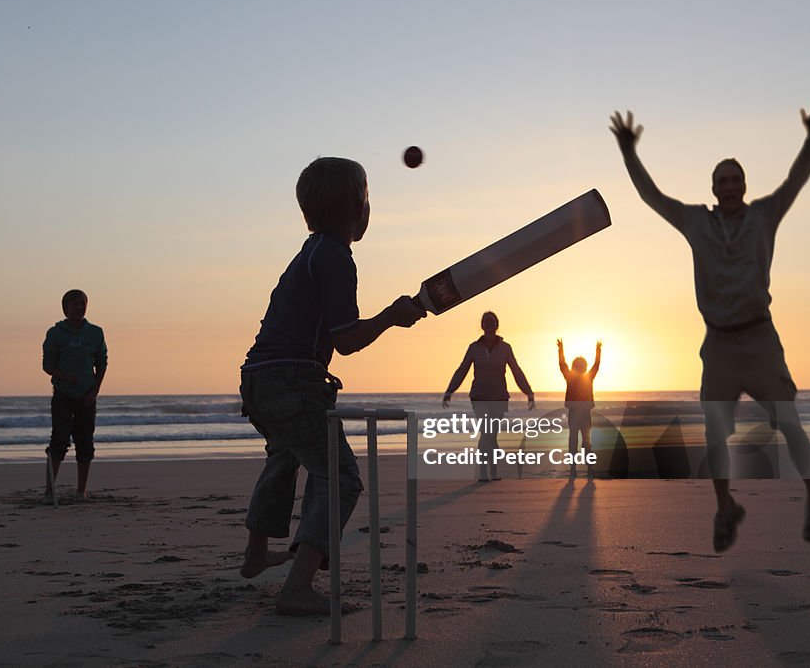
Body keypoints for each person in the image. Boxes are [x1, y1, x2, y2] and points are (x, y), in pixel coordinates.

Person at [610, 100, 810, 551]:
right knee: (713, 430)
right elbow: (651, 196)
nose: (729, 186)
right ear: (713, 187)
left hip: (760, 336)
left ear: (745, 185)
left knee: (789, 421)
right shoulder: (695, 221)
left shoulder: (766, 214)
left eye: (735, 179)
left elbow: (798, 178)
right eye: (722, 180)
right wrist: (629, 151)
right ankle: (725, 507)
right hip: (720, 343)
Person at [239, 156, 426, 615]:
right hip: (293, 381)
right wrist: (390, 318)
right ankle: (297, 588)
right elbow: (345, 340)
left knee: (283, 458)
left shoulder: (309, 252)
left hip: (258, 378)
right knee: (339, 477)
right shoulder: (335, 257)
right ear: (361, 212)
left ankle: (257, 552)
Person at [442, 311, 535, 481]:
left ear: (497, 325)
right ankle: (485, 472)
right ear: (482, 326)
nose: (489, 325)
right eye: (486, 322)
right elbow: (462, 370)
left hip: (499, 397)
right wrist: (450, 390)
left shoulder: (505, 348)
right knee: (486, 433)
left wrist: (528, 392)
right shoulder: (474, 348)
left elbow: (516, 370)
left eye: (492, 322)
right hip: (479, 397)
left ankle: (491, 470)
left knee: (491, 435)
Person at [42, 289, 108, 504]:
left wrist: (94, 391)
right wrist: (64, 376)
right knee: (59, 441)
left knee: (85, 443)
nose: (79, 307)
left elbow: (102, 363)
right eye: (75, 304)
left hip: (86, 396)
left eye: (82, 303)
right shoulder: (55, 333)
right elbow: (47, 365)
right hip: (63, 394)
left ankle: (81, 491)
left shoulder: (96, 332)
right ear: (66, 308)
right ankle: (50, 492)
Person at [557, 339, 601, 479]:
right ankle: (583, 469)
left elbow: (562, 365)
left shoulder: (576, 377)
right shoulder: (584, 377)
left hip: (578, 413)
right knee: (582, 441)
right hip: (580, 413)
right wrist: (561, 350)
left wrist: (561, 350)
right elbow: (562, 365)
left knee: (577, 441)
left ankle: (577, 469)